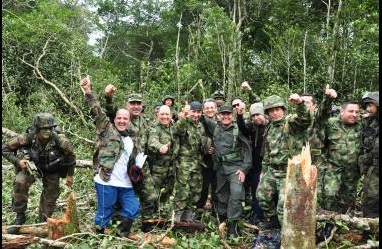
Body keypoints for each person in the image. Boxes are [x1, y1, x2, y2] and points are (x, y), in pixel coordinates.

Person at [80, 76, 142, 237]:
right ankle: (99, 236)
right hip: (106, 180)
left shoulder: (131, 138)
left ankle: (122, 233)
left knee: (133, 207)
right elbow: (96, 110)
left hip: (126, 183)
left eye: (125, 119)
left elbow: (133, 160)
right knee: (105, 210)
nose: (122, 121)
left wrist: (136, 169)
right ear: (114, 119)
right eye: (119, 118)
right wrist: (88, 91)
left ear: (129, 121)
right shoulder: (107, 129)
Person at [2, 113, 76, 234]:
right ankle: (20, 217)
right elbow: (5, 149)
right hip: (32, 167)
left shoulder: (61, 141)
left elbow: (71, 157)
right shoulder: (27, 137)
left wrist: (70, 175)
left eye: (50, 128)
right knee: (20, 182)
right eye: (44, 128)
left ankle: (43, 220)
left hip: (53, 169)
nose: (47, 131)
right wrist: (18, 161)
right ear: (37, 129)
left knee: (52, 193)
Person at [256, 94, 311, 230]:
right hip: (273, 170)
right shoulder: (270, 127)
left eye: (277, 109)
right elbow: (268, 152)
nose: (274, 113)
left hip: (289, 171)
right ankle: (273, 221)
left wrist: (300, 104)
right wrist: (263, 171)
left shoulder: (291, 123)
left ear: (283, 109)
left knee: (284, 206)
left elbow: (305, 120)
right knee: (261, 195)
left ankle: (287, 234)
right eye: (271, 111)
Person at [104, 85, 154, 231]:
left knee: (150, 195)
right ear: (127, 105)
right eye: (133, 103)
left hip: (140, 164)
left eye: (139, 104)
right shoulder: (123, 119)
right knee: (119, 196)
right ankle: (115, 224)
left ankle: (147, 225)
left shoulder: (146, 121)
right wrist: (108, 97)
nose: (136, 106)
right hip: (123, 164)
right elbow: (110, 111)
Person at [203, 105, 252, 238]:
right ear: (219, 116)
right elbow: (203, 119)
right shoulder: (216, 128)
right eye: (223, 114)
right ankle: (223, 221)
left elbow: (248, 151)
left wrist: (244, 169)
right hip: (220, 169)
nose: (225, 116)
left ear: (233, 115)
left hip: (235, 169)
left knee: (236, 195)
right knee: (221, 196)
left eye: (228, 114)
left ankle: (233, 225)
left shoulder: (238, 130)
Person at [172, 101, 209, 222]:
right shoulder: (183, 123)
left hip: (197, 163)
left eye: (198, 112)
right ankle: (177, 218)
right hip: (184, 163)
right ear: (189, 112)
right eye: (194, 112)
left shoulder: (200, 126)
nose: (196, 115)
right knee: (182, 190)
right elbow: (177, 130)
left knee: (195, 191)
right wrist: (183, 117)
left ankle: (188, 218)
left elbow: (201, 143)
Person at [236, 102, 268, 225]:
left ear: (264, 114)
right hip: (256, 165)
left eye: (258, 115)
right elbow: (243, 129)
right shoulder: (253, 127)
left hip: (269, 164)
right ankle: (257, 215)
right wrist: (239, 116)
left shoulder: (271, 126)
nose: (255, 118)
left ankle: (271, 216)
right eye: (253, 116)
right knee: (256, 190)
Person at [147, 105, 179, 221]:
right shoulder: (154, 127)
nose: (165, 117)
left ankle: (163, 216)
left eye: (167, 114)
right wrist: (160, 147)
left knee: (168, 192)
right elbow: (152, 141)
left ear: (171, 116)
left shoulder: (174, 127)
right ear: (157, 115)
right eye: (162, 114)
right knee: (153, 194)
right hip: (158, 169)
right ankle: (150, 218)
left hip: (172, 168)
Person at [358, 91, 379, 218]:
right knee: (370, 198)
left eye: (370, 105)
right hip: (374, 167)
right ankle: (371, 230)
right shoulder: (370, 122)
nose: (368, 109)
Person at [196, 98, 218, 211]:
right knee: (203, 187)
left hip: (218, 160)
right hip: (204, 160)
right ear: (203, 110)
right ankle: (199, 210)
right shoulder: (199, 121)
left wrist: (216, 150)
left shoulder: (221, 121)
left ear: (216, 109)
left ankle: (215, 211)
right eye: (207, 108)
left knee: (216, 186)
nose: (209, 110)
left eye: (211, 107)